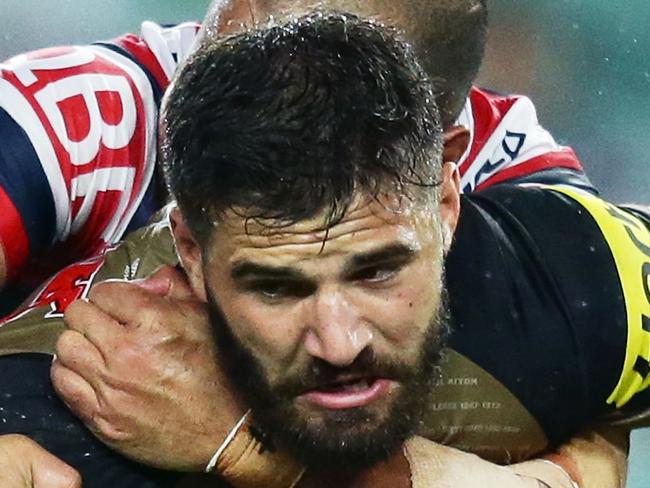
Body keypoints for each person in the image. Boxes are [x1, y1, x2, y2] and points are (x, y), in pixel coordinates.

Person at [0, 12, 642, 488]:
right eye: (275, 284)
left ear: (447, 179)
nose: (278, 106)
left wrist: (251, 449)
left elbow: (594, 455)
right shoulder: (60, 123)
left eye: (378, 270)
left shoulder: (550, 237)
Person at [0, 0, 593, 312]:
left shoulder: (504, 167)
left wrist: (240, 443)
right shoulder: (71, 118)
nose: (220, 121)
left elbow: (599, 424)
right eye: (214, 66)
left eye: (300, 112)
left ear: (438, 163)